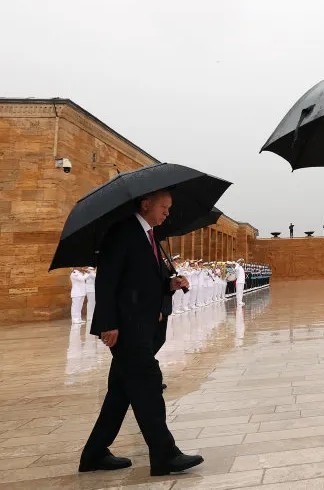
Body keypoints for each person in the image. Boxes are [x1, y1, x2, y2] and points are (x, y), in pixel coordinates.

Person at [79, 190, 203, 476]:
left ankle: (94, 454)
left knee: (120, 394)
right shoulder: (122, 232)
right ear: (146, 204)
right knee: (148, 383)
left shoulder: (151, 238)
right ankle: (165, 454)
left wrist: (169, 285)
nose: (167, 213)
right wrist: (108, 323)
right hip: (127, 327)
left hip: (144, 326)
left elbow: (144, 280)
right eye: (164, 207)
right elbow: (107, 280)